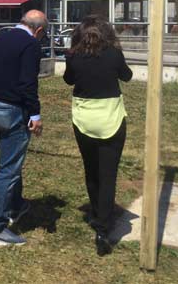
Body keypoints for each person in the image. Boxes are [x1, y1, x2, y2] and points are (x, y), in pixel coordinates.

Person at [63, 15, 132, 256]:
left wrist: (71, 59)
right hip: (110, 118)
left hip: (84, 118)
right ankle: (103, 226)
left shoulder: (73, 56)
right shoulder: (113, 54)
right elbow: (127, 76)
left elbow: (68, 79)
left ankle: (94, 212)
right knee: (108, 173)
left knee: (91, 169)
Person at [0, 10, 46, 246]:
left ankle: (16, 205)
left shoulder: (1, 37)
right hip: (13, 110)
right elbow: (28, 82)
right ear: (38, 30)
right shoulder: (31, 45)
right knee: (8, 169)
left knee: (11, 159)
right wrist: (35, 114)